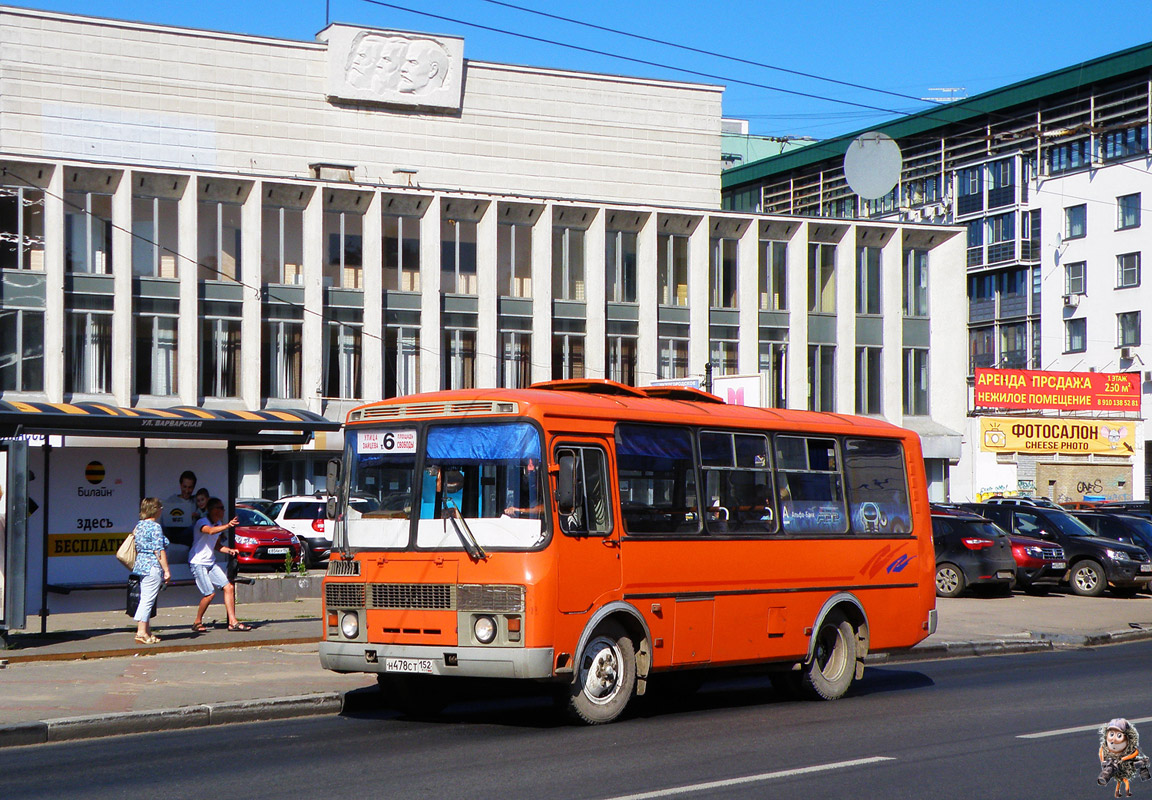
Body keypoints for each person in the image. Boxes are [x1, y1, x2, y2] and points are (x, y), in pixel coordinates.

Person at [189, 497, 251, 632]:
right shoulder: (202, 522)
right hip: (198, 563)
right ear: (212, 510)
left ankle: (232, 622)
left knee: (228, 587)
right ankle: (197, 622)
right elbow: (209, 531)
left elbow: (216, 545)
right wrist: (228, 525)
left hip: (210, 562)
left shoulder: (218, 524)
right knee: (209, 594)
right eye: (220, 508)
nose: (223, 511)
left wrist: (229, 550)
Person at [132, 497, 170, 644]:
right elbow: (158, 550)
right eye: (160, 507)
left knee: (146, 597)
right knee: (147, 600)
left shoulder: (139, 525)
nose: (161, 510)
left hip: (141, 566)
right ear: (155, 509)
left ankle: (147, 631)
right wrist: (166, 570)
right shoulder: (155, 527)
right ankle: (141, 632)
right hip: (152, 566)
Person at [161, 470, 197, 547]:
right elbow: (164, 521)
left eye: (190, 487)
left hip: (189, 534)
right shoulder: (171, 501)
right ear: (180, 485)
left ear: (194, 488)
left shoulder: (197, 501)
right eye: (185, 487)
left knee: (193, 528)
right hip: (171, 533)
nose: (187, 491)